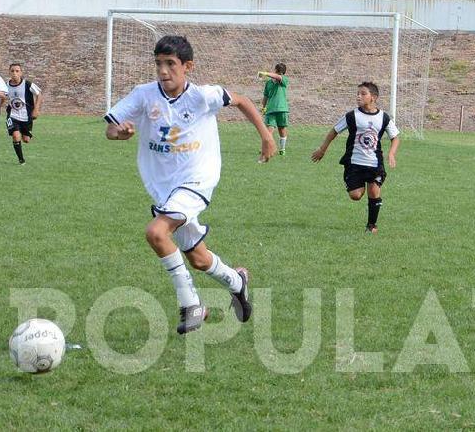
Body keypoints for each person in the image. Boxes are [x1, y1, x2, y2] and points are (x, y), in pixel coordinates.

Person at [104, 35, 277, 334]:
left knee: (156, 232)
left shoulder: (203, 96)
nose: (163, 71)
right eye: (158, 64)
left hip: (198, 178)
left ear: (188, 66)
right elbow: (111, 127)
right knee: (198, 259)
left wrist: (266, 136)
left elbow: (243, 101)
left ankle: (191, 304)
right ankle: (238, 282)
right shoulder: (143, 95)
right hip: (164, 188)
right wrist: (119, 133)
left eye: (171, 64)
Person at [309, 81, 400, 233]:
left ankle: (372, 226)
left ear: (373, 97)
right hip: (354, 162)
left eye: (363, 93)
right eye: (357, 93)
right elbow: (334, 131)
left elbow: (395, 136)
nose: (358, 96)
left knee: (374, 190)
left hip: (374, 162)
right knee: (356, 195)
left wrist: (391, 153)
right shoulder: (352, 116)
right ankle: (356, 186)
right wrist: (322, 149)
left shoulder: (384, 117)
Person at [4, 63, 43, 164]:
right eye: (12, 71)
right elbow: (2, 96)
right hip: (12, 115)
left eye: (17, 71)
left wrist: (36, 109)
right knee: (16, 136)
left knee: (26, 140)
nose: (14, 73)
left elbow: (39, 95)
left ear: (21, 72)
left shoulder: (27, 84)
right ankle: (21, 160)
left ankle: (24, 133)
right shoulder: (6, 85)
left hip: (26, 116)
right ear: (9, 72)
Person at [259, 63, 290, 155]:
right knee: (269, 130)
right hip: (271, 109)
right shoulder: (268, 83)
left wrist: (265, 73)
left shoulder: (284, 79)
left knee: (282, 129)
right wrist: (264, 107)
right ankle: (266, 149)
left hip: (282, 109)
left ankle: (282, 149)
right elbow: (265, 96)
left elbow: (278, 77)